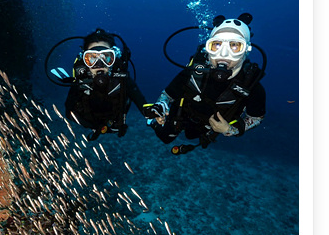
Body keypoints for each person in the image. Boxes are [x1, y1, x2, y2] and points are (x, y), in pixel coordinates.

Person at [144, 13, 266, 154]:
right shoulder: (195, 70)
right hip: (182, 113)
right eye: (217, 45)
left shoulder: (250, 85)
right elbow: (168, 94)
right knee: (165, 137)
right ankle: (152, 124)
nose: (224, 54)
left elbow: (256, 117)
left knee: (192, 135)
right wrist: (161, 105)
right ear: (208, 47)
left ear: (246, 50)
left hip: (208, 127)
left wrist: (229, 130)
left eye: (235, 46)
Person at [64, 28, 148, 140]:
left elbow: (141, 103)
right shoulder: (81, 81)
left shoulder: (122, 79)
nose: (99, 64)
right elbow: (69, 111)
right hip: (90, 124)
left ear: (114, 59)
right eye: (92, 58)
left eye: (106, 57)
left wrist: (153, 115)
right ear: (84, 61)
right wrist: (96, 127)